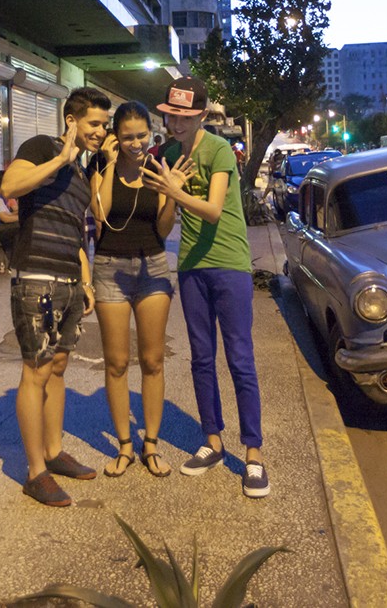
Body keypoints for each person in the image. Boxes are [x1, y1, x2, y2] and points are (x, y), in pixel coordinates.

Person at [152, 76, 270, 499]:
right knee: (201, 357)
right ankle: (213, 442)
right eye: (170, 116)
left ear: (201, 115)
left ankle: (253, 454)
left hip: (230, 264)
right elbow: (164, 225)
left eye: (184, 117)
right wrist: (169, 196)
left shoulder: (219, 150)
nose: (175, 124)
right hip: (190, 267)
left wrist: (175, 191)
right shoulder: (166, 154)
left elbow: (214, 210)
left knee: (240, 357)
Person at [1, 86, 111, 507]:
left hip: (68, 276)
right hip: (36, 274)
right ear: (71, 121)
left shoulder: (83, 172)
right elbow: (12, 184)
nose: (100, 131)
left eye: (104, 125)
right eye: (94, 124)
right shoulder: (43, 146)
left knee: (59, 366)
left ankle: (53, 450)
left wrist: (86, 283)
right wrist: (60, 159)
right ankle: (35, 472)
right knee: (36, 368)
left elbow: (80, 234)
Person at [90, 101, 186, 479]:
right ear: (115, 137)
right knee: (115, 363)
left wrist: (172, 193)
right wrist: (111, 164)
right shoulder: (100, 167)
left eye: (141, 136)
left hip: (154, 266)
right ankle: (125, 446)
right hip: (110, 267)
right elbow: (101, 217)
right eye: (127, 137)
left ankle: (151, 445)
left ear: (152, 133)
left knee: (152, 360)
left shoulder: (156, 169)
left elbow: (163, 230)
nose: (135, 143)